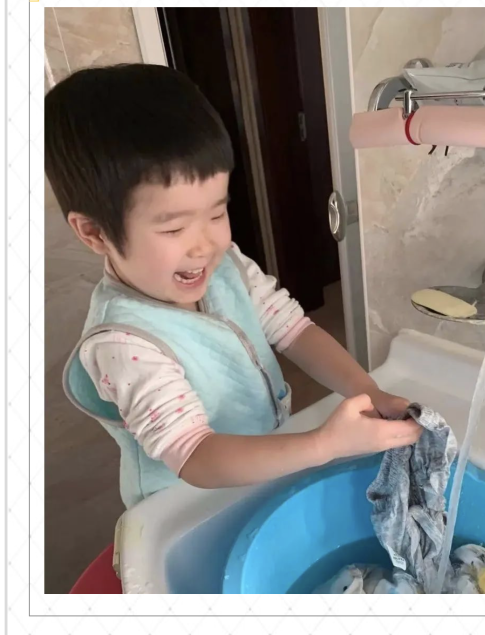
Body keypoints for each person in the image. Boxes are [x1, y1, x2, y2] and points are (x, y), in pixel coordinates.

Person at [45, 63, 421, 509]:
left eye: (217, 213)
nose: (206, 244)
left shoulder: (226, 264)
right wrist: (325, 444)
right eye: (173, 228)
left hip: (260, 465)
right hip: (184, 508)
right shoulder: (122, 342)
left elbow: (294, 330)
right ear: (94, 233)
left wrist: (369, 391)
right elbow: (194, 454)